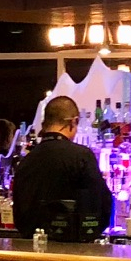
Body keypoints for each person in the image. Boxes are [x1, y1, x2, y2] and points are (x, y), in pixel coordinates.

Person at [11, 96, 113, 241]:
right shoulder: (81, 156)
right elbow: (102, 206)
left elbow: (19, 216)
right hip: (70, 252)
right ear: (73, 122)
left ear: (44, 124)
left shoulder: (26, 161)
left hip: (30, 252)